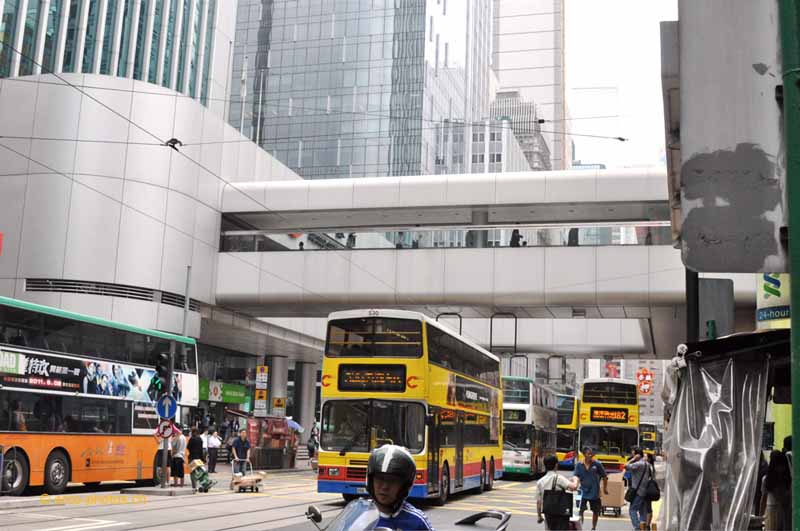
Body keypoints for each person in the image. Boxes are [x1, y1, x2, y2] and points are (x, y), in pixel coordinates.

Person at [366, 444, 434, 530]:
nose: (385, 486)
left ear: (404, 486)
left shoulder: (416, 521)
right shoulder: (360, 515)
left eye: (392, 481)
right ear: (371, 480)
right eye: (380, 478)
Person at [537, 454, 578, 530]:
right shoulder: (559, 478)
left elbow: (539, 502)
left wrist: (539, 516)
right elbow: (574, 487)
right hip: (561, 511)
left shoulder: (540, 482)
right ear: (556, 465)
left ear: (545, 465)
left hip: (548, 512)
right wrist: (575, 479)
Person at [573, 447, 608, 531]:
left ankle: (593, 528)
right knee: (580, 511)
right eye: (588, 454)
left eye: (591, 454)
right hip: (582, 491)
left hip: (594, 492)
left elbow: (605, 477)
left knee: (596, 511)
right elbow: (576, 476)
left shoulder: (597, 464)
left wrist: (604, 489)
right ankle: (580, 528)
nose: (590, 455)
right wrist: (575, 484)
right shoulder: (579, 465)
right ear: (584, 455)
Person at [760, 450, 792, 531]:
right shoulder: (767, 480)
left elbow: (763, 499)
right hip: (774, 513)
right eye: (779, 465)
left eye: (782, 465)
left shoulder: (787, 479)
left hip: (784, 512)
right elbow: (763, 499)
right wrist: (760, 517)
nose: (781, 468)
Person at [624, 447, 651, 531]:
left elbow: (626, 465)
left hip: (637, 491)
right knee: (642, 510)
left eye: (634, 454)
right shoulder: (647, 464)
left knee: (632, 510)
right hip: (644, 491)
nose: (632, 456)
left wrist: (633, 459)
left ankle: (637, 528)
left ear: (638, 455)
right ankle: (643, 526)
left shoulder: (638, 464)